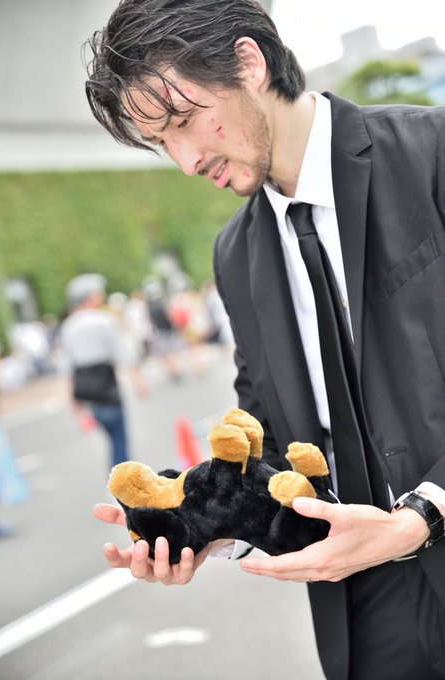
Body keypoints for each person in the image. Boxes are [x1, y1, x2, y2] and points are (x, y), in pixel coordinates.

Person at [84, 2, 445, 678]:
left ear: (248, 63)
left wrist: (426, 511)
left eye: (182, 121)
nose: (186, 161)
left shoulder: (432, 154)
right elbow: (270, 434)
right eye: (160, 143)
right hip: (357, 599)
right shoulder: (236, 253)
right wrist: (201, 522)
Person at [61, 274, 129, 470]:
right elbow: (122, 354)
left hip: (86, 392)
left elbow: (67, 367)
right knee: (119, 439)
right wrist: (137, 380)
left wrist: (73, 402)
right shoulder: (104, 320)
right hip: (107, 387)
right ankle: (120, 480)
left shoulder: (69, 326)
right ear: (90, 297)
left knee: (111, 436)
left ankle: (116, 476)